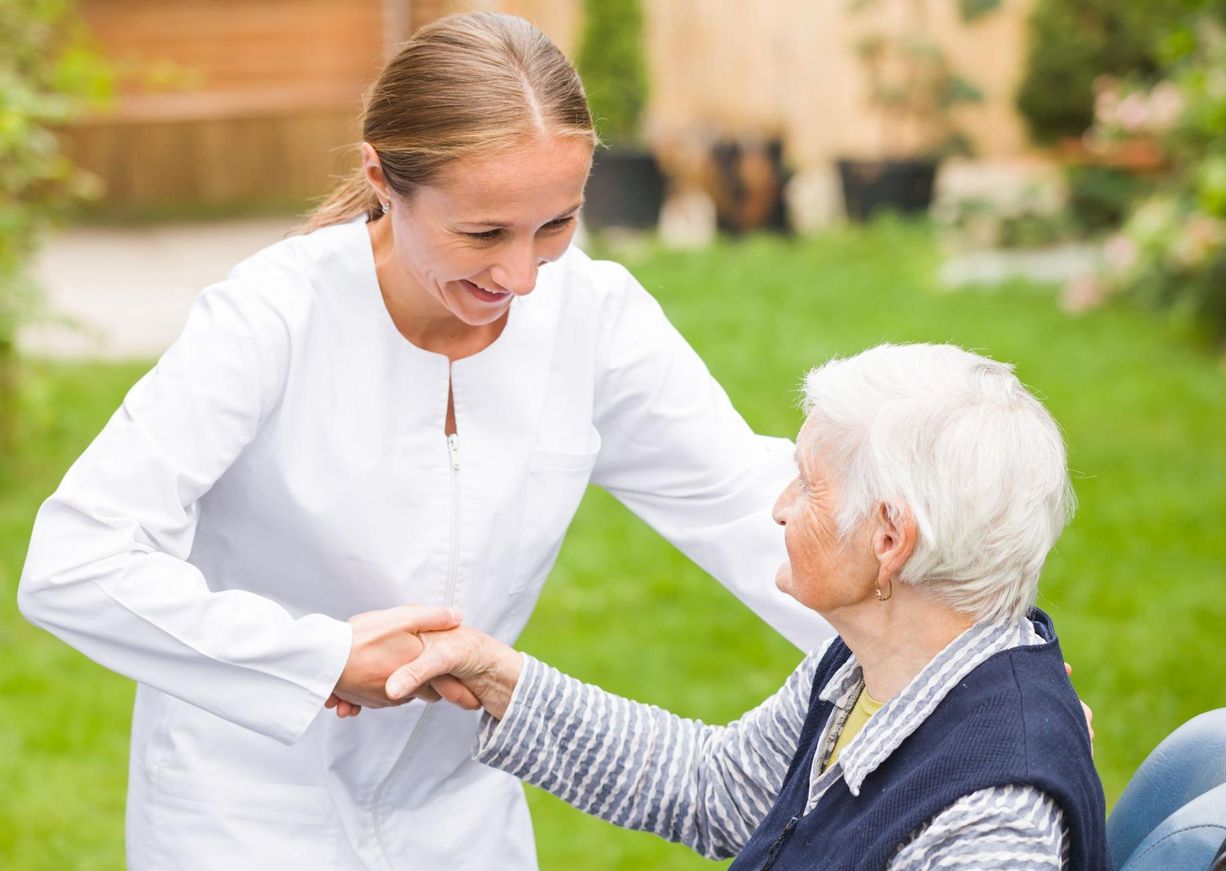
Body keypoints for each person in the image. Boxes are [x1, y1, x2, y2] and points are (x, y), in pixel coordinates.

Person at [16, 12, 827, 870]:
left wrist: (944, 661)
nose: (519, 278)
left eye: (556, 224)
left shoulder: (591, 315)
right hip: (244, 814)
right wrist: (320, 658)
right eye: (483, 232)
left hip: (461, 816)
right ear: (381, 175)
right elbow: (76, 561)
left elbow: (752, 510)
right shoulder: (270, 319)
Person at [368, 344, 1113, 870]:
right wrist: (497, 677)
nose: (781, 508)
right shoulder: (874, 668)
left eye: (807, 484)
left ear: (889, 538)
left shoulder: (990, 812)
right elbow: (714, 789)